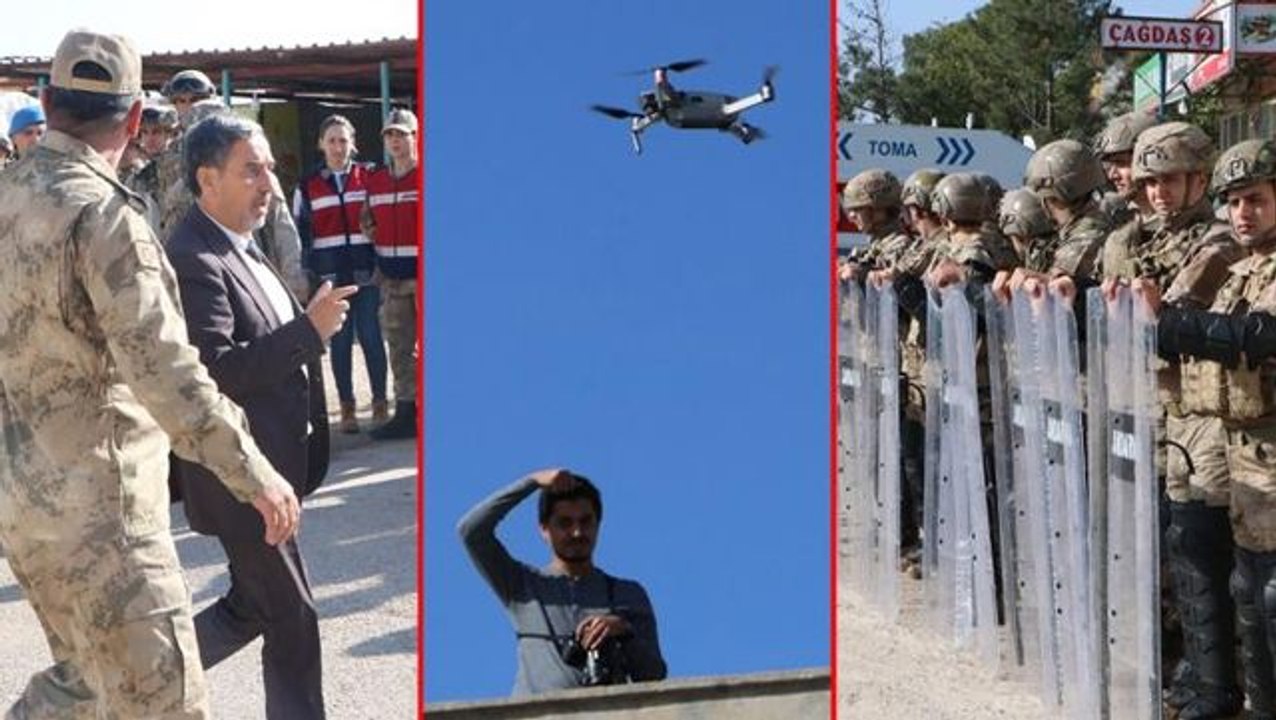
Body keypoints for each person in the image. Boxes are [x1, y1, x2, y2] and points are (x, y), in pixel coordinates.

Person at [0, 29, 298, 718]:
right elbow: (167, 373)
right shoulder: (106, 218)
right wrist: (254, 472)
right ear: (135, 120)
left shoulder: (9, 198)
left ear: (47, 101)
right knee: (166, 704)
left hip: (26, 515)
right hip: (107, 525)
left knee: (82, 686)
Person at [168, 113, 355, 720]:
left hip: (270, 473)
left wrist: (307, 322)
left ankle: (129, 682)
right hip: (238, 478)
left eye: (270, 167)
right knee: (293, 617)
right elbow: (216, 371)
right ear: (207, 179)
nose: (268, 182)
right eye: (251, 170)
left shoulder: (242, 246)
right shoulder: (194, 257)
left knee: (253, 607)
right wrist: (310, 331)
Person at [1141, 137, 1276, 720]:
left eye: (1257, 200)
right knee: (1248, 594)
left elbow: (1255, 338)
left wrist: (1167, 321)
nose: (1243, 213)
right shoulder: (1242, 271)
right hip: (1246, 462)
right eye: (1234, 201)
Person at [459, 468, 667, 695]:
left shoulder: (628, 594)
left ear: (598, 525)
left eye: (586, 521)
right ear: (544, 530)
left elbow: (653, 675)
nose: (577, 532)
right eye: (565, 523)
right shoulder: (522, 585)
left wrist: (623, 631)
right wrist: (532, 482)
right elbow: (471, 531)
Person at [293, 114, 388, 433]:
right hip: (330, 276)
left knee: (373, 338)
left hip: (366, 273)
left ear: (353, 144)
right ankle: (346, 407)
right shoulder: (307, 186)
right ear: (321, 144)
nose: (337, 147)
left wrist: (381, 263)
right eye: (331, 140)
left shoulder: (370, 177)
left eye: (343, 140)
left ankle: (378, 403)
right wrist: (307, 275)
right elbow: (300, 234)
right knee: (341, 343)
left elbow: (382, 221)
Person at [361, 108, 419, 440]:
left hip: (425, 280)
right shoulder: (377, 181)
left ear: (415, 137)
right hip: (393, 279)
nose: (396, 141)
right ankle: (406, 412)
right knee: (398, 346)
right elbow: (367, 221)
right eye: (390, 135)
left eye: (402, 134)